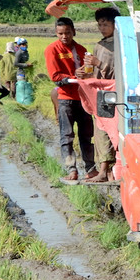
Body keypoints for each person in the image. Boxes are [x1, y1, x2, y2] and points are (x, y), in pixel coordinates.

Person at [44, 17, 96, 183]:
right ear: (56, 33)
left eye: (67, 32)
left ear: (74, 31)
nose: (64, 36)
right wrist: (74, 77)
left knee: (87, 135)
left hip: (83, 98)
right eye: (60, 33)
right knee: (66, 136)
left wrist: (86, 74)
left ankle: (91, 169)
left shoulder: (82, 50)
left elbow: (89, 73)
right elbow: (55, 76)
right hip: (66, 98)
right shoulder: (52, 49)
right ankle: (72, 170)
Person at [80, 7, 119, 183]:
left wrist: (99, 63)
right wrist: (84, 73)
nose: (102, 28)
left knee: (113, 130)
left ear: (114, 25)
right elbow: (95, 72)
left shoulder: (120, 44)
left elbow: (121, 69)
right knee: (101, 130)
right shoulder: (99, 45)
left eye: (106, 24)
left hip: (116, 92)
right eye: (100, 24)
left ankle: (108, 170)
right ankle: (105, 170)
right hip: (102, 93)